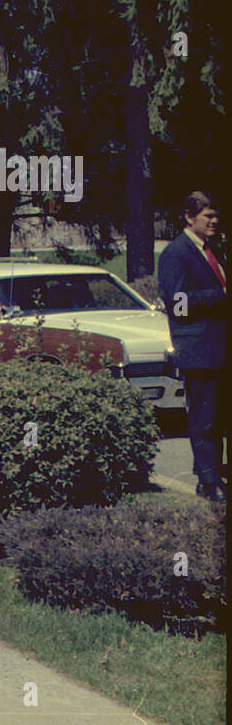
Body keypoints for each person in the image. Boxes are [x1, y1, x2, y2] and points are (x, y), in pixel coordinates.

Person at [157, 190, 226, 503]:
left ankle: (209, 475)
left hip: (220, 348)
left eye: (215, 216)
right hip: (199, 350)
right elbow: (177, 304)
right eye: (207, 216)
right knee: (204, 419)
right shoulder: (177, 253)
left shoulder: (213, 251)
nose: (214, 221)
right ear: (189, 217)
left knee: (220, 417)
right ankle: (211, 484)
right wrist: (219, 295)